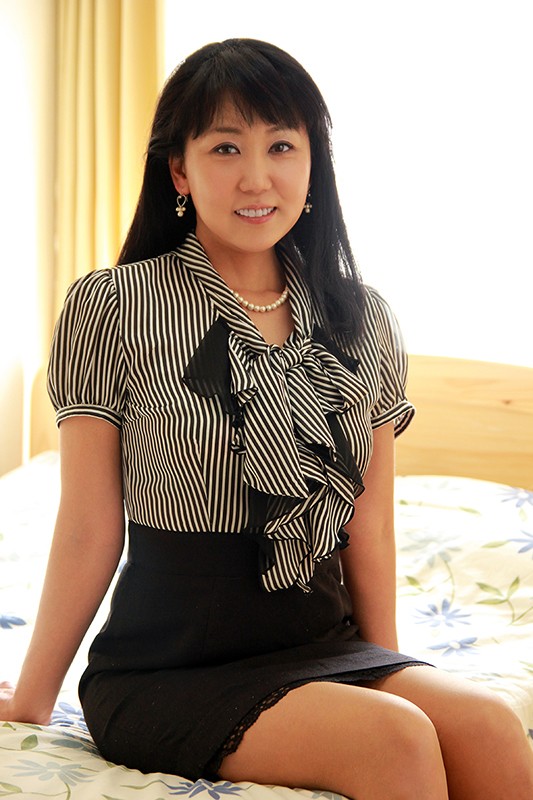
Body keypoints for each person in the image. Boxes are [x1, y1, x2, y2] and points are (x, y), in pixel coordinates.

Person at [1, 38, 532, 800]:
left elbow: (371, 521)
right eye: (225, 148)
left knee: (488, 726)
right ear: (179, 170)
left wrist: (386, 670)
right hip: (169, 667)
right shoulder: (113, 306)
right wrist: (31, 695)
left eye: (281, 146)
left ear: (313, 164)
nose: (256, 177)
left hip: (321, 643)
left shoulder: (362, 319)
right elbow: (89, 526)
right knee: (395, 740)